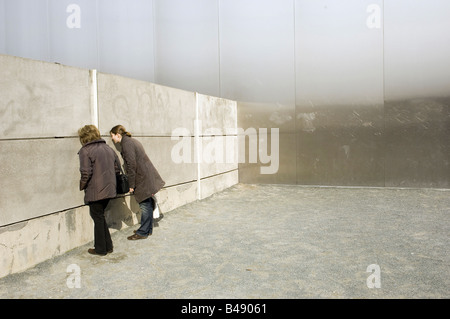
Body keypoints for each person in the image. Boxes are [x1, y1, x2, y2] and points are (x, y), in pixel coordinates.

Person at [110, 125, 165, 240]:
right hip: (145, 177)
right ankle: (147, 229)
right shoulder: (131, 141)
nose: (112, 139)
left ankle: (143, 232)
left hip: (141, 179)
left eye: (112, 136)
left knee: (144, 205)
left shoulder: (126, 144)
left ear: (118, 135)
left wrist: (131, 185)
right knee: (147, 203)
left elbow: (131, 165)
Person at [78, 125, 121, 255]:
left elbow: (86, 172)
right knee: (100, 217)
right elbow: (117, 169)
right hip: (110, 190)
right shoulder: (108, 148)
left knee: (98, 218)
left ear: (84, 137)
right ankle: (108, 246)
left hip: (95, 191)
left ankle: (100, 249)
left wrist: (82, 186)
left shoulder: (85, 151)